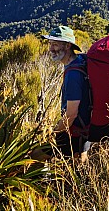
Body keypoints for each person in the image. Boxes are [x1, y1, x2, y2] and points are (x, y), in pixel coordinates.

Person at [36, 25, 92, 159]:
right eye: (50, 44)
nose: (51, 49)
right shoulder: (81, 61)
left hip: (74, 131)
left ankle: (43, 178)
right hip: (85, 129)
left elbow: (71, 114)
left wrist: (54, 132)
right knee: (79, 165)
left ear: (67, 46)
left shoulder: (73, 75)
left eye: (55, 44)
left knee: (35, 155)